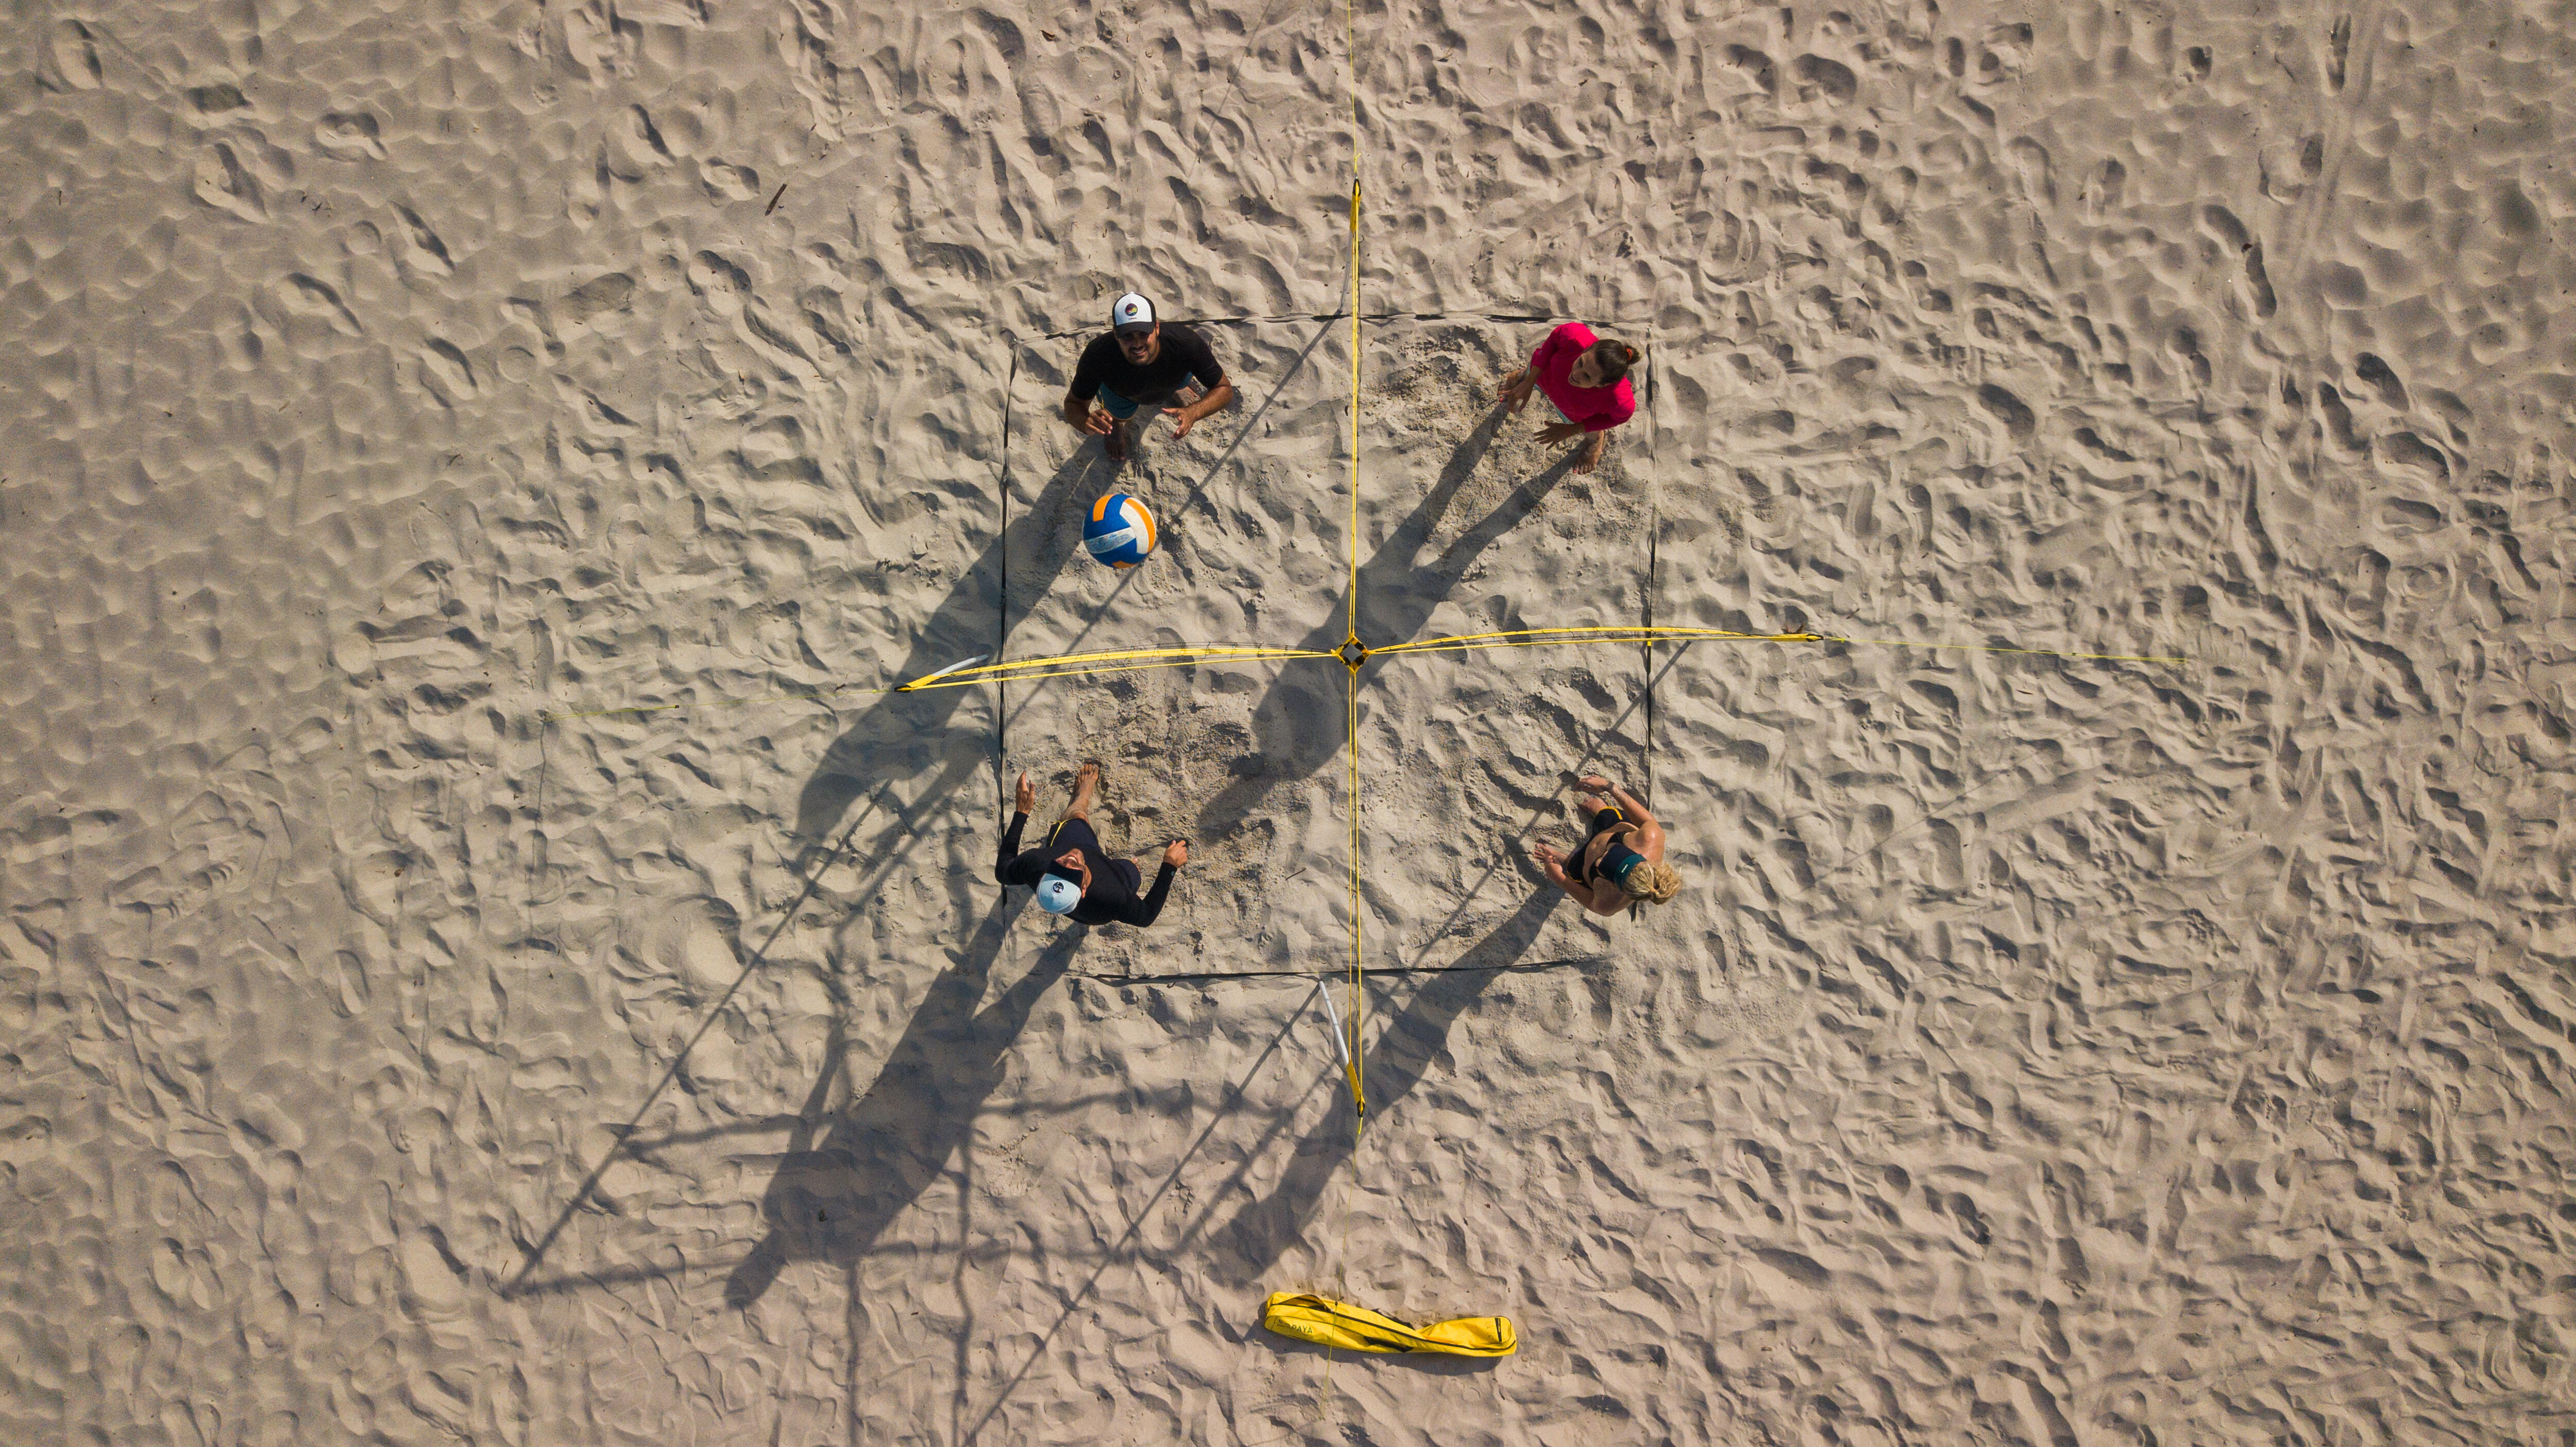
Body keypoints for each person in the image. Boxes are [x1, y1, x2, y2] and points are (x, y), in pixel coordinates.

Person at [996, 762, 1189, 927]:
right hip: (1107, 886)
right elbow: (1146, 917)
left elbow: (1002, 871)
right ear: (1084, 890)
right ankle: (1128, 869)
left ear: (1045, 876)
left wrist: (1022, 813)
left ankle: (1082, 796)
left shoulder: (1036, 864)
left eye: (1057, 868)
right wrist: (1170, 867)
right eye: (1072, 873)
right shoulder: (1111, 897)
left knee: (1076, 815)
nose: (1069, 861)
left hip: (1075, 843)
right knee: (1133, 873)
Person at [1063, 292, 1236, 462]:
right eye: (1127, 336)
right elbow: (1073, 404)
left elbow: (1224, 389)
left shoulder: (1185, 344)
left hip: (1174, 380)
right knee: (1114, 415)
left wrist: (1194, 412)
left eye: (1144, 334)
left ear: (1157, 328)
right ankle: (1116, 428)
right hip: (1121, 394)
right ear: (1116, 335)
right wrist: (1085, 422)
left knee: (1182, 380)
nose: (1137, 344)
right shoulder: (1098, 355)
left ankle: (1177, 390)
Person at [1498, 324, 1640, 475]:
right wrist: (1530, 381)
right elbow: (1552, 342)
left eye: (1587, 376)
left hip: (1573, 413)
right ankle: (1521, 380)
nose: (1576, 375)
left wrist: (1573, 429)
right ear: (1585, 350)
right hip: (1544, 377)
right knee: (1524, 376)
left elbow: (1618, 418)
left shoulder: (1619, 399)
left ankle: (1596, 441)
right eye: (1580, 363)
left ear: (1602, 385)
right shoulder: (1574, 337)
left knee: (1593, 432)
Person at [1532, 775, 1681, 915]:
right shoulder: (1650, 838)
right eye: (1612, 852)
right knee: (1610, 815)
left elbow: (1591, 902)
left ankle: (1566, 859)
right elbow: (1646, 821)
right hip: (1612, 828)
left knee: (1573, 870)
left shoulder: (1609, 903)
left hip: (1585, 869)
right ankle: (1601, 810)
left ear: (1618, 887)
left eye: (1604, 869)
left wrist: (1558, 877)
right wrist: (1609, 786)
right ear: (1635, 855)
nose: (1598, 859)